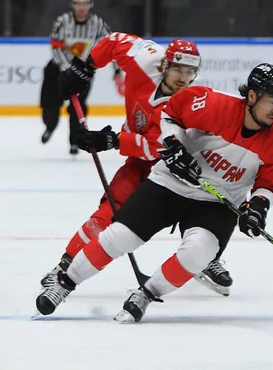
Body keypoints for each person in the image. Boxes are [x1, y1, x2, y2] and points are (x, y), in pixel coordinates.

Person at [35, 63, 273, 323]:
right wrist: (173, 143)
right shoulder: (214, 105)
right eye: (272, 101)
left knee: (199, 252)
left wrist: (259, 207)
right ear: (251, 96)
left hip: (216, 202)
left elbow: (272, 184)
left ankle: (146, 294)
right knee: (120, 236)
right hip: (171, 184)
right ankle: (64, 282)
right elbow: (171, 114)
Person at [40, 31, 234, 298]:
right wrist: (85, 68)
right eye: (177, 68)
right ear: (164, 65)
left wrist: (113, 139)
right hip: (139, 165)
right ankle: (64, 267)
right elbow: (115, 40)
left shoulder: (192, 103)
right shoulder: (145, 60)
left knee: (211, 211)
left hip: (174, 172)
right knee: (109, 212)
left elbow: (159, 145)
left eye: (189, 71)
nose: (182, 77)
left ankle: (207, 258)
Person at [39, 0, 121, 155]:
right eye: (78, 4)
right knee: (50, 104)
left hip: (82, 71)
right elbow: (56, 46)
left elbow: (112, 45)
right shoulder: (62, 21)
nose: (81, 7)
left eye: (85, 4)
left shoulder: (98, 24)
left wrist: (117, 69)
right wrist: (65, 68)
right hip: (57, 68)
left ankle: (75, 140)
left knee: (78, 107)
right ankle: (50, 126)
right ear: (73, 5)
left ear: (90, 5)